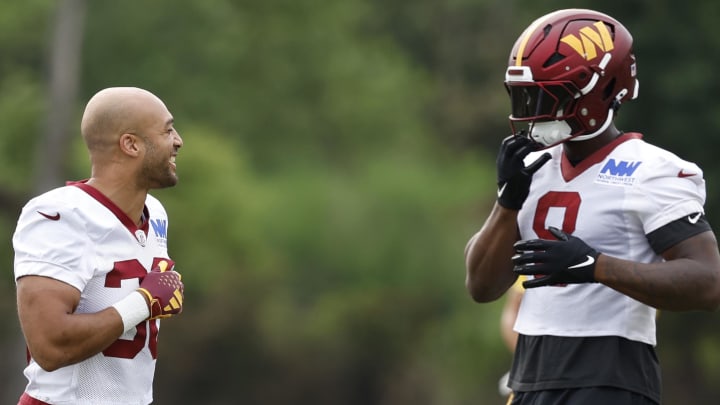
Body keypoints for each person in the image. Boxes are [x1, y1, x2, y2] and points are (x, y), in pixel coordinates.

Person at [464, 8, 720, 405]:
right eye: (527, 94)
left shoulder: (653, 170)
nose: (533, 108)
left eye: (551, 95)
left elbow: (709, 282)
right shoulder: (534, 166)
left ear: (598, 92)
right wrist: (507, 200)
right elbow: (481, 286)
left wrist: (597, 266)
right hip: (530, 378)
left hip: (609, 378)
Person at [13, 87, 185, 405]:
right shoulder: (60, 215)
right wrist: (144, 303)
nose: (178, 141)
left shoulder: (155, 212)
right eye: (167, 129)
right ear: (131, 144)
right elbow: (50, 347)